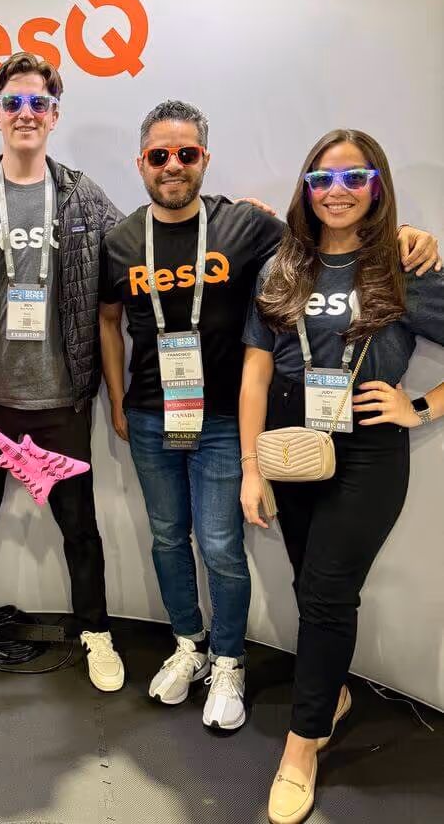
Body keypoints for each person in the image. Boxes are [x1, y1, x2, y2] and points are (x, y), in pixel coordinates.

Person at [98, 101, 439, 733]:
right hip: (151, 415)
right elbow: (108, 319)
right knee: (168, 538)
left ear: (204, 158)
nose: (172, 165)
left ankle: (229, 661)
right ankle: (188, 645)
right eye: (159, 155)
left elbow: (334, 233)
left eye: (186, 153)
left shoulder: (247, 227)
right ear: (140, 162)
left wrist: (407, 234)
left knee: (221, 545)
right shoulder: (119, 240)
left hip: (227, 420)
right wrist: (117, 398)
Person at [240, 129, 444, 824]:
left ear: (377, 187)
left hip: (367, 455)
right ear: (306, 188)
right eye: (322, 179)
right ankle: (333, 694)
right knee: (311, 587)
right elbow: (255, 371)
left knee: (327, 592)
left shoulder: (403, 267)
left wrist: (420, 407)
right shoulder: (282, 267)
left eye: (354, 178)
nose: (337, 191)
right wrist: (251, 467)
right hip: (290, 446)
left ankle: (301, 747)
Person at [0, 52, 125, 703]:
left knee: (81, 528)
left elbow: (140, 252)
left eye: (39, 103)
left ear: (55, 115)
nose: (26, 113)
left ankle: (96, 631)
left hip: (62, 401)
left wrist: (231, 212)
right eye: (14, 103)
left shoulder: (85, 197)